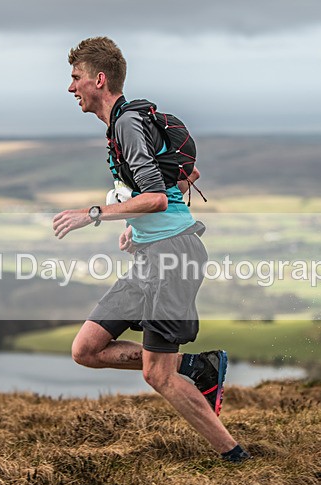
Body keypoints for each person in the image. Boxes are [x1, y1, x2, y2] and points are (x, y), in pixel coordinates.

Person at [52, 36, 250, 463]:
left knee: (158, 374)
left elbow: (158, 197)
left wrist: (95, 214)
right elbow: (186, 173)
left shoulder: (126, 123)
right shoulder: (124, 123)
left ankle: (235, 458)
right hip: (151, 255)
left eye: (75, 78)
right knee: (85, 349)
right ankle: (198, 368)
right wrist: (138, 226)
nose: (70, 88)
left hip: (173, 257)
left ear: (98, 80)